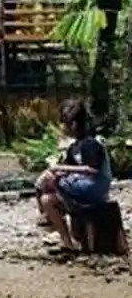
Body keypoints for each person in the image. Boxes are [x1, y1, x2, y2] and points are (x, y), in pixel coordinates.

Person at [36, 99, 112, 251]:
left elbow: (92, 170)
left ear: (73, 124)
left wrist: (58, 170)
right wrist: (57, 172)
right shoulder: (74, 147)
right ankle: (67, 242)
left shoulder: (91, 143)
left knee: (47, 181)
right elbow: (70, 167)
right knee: (47, 199)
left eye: (64, 123)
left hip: (95, 186)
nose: (62, 127)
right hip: (82, 186)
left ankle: (46, 219)